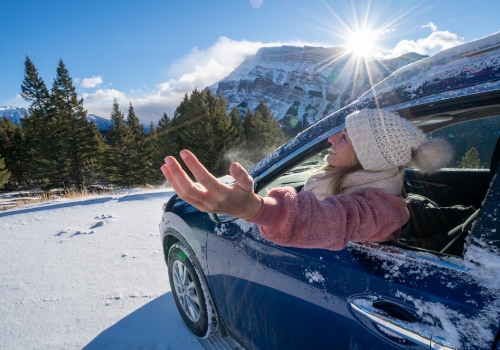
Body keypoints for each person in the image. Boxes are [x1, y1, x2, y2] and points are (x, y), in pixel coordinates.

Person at [160, 109, 454, 251]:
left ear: (366, 158)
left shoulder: (382, 210)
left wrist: (257, 210)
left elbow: (334, 220)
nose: (330, 139)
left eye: (343, 138)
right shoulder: (357, 183)